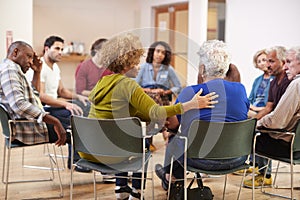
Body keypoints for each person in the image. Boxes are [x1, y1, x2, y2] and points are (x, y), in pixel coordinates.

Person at [87, 33, 218, 200]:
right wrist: (191, 104)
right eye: (137, 62)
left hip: (92, 149)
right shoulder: (128, 84)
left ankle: (121, 187)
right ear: (128, 62)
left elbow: (115, 111)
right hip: (112, 153)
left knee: (123, 135)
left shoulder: (102, 82)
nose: (139, 66)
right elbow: (156, 111)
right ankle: (136, 192)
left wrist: (146, 116)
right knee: (143, 145)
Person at [155, 40, 249, 191]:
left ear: (203, 68)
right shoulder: (240, 89)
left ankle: (172, 179)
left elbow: (172, 125)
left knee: (174, 137)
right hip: (236, 158)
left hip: (199, 159)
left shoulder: (190, 92)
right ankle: (169, 177)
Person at [0, 41, 67, 148]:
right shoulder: (9, 70)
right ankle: (80, 164)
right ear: (15, 52)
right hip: (28, 129)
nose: (31, 62)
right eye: (29, 56)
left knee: (72, 119)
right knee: (77, 129)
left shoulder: (13, 69)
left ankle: (77, 164)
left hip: (30, 124)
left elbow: (35, 95)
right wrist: (54, 121)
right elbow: (19, 105)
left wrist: (37, 72)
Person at [243, 46, 292, 187]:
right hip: (272, 120)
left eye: (271, 61)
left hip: (282, 127)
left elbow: (280, 112)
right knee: (249, 127)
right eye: (266, 61)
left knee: (258, 133)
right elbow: (269, 107)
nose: (267, 65)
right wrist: (254, 121)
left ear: (282, 62)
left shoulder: (288, 83)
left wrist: (259, 122)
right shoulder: (273, 83)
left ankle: (266, 175)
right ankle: (258, 169)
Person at [135, 41, 182, 151]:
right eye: (158, 51)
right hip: (147, 97)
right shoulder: (143, 68)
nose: (160, 54)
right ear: (152, 52)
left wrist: (166, 92)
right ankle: (165, 131)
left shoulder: (168, 69)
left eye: (163, 53)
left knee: (156, 100)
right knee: (153, 98)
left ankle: (152, 138)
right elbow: (135, 86)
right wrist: (149, 90)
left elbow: (178, 87)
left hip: (163, 97)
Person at [39, 35, 90, 117]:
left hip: (55, 104)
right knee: (75, 112)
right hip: (46, 108)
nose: (60, 52)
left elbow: (61, 91)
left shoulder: (55, 67)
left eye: (62, 49)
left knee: (86, 105)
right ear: (46, 49)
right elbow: (41, 96)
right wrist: (65, 104)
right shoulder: (40, 67)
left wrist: (78, 97)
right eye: (57, 48)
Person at [248, 49, 274, 118]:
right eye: (259, 62)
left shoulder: (275, 78)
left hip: (265, 111)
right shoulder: (257, 80)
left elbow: (272, 105)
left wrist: (256, 108)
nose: (262, 63)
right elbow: (250, 99)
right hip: (253, 110)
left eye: (264, 60)